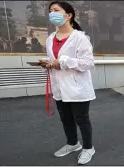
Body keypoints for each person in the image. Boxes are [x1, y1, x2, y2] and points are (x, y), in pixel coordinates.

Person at [38, 1, 96, 164]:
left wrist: (63, 61)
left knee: (81, 119)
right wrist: (47, 62)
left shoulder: (80, 38)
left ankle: (88, 148)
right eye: (50, 11)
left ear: (69, 15)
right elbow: (54, 59)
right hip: (59, 86)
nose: (52, 14)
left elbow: (88, 63)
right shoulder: (51, 38)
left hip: (77, 87)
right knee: (66, 118)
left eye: (56, 10)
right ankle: (72, 144)